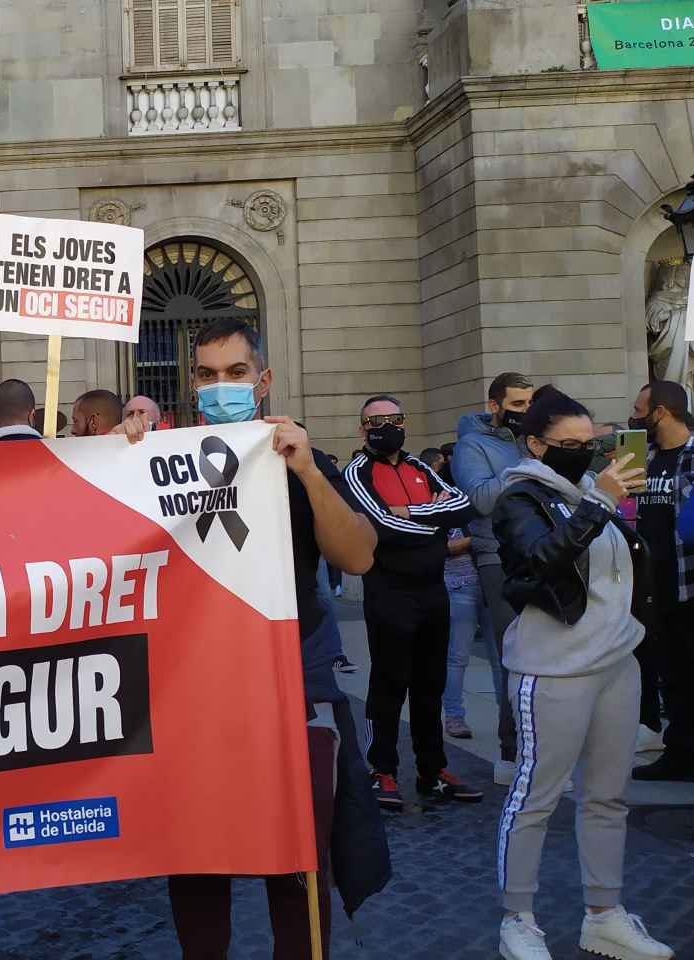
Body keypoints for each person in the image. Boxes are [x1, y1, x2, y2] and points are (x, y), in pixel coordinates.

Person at [166, 319, 387, 960]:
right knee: (199, 858)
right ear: (191, 383)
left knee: (298, 856)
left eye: (235, 374)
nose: (220, 387)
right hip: (198, 691)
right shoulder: (160, 459)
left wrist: (311, 474)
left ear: (261, 382)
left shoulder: (303, 461)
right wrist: (127, 448)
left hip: (292, 682)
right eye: (207, 376)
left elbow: (359, 558)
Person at [491, 388, 674, 960]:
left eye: (590, 443)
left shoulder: (592, 493)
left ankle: (604, 913)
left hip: (617, 664)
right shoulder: (519, 496)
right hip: (554, 670)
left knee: (607, 797)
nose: (583, 453)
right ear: (535, 443)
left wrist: (619, 507)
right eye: (569, 445)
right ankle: (517, 920)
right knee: (535, 797)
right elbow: (541, 559)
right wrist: (599, 502)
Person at [342, 395, 483, 809]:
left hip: (432, 591)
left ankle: (432, 769)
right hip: (388, 593)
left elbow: (461, 505)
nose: (387, 426)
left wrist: (408, 512)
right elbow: (381, 526)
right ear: (362, 427)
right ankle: (380, 769)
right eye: (376, 420)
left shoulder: (421, 467)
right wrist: (430, 518)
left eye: (395, 418)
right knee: (388, 685)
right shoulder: (357, 472)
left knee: (430, 685)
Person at [452, 371, 534, 783]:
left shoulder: (532, 441)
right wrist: (528, 467)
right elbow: (481, 498)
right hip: (496, 557)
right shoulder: (472, 445)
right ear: (495, 406)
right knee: (511, 657)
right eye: (517, 405)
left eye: (529, 404)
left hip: (541, 554)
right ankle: (511, 751)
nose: (525, 412)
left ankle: (540, 746)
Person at [629, 380, 694, 781]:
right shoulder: (642, 456)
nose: (634, 416)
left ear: (661, 412)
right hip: (651, 587)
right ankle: (679, 752)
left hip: (688, 583)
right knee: (671, 674)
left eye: (639, 409)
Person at [441, 522, 481, 739]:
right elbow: (440, 548)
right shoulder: (443, 500)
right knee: (456, 658)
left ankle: (511, 720)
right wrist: (478, 540)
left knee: (502, 659)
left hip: (487, 585)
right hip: (457, 588)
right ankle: (454, 715)